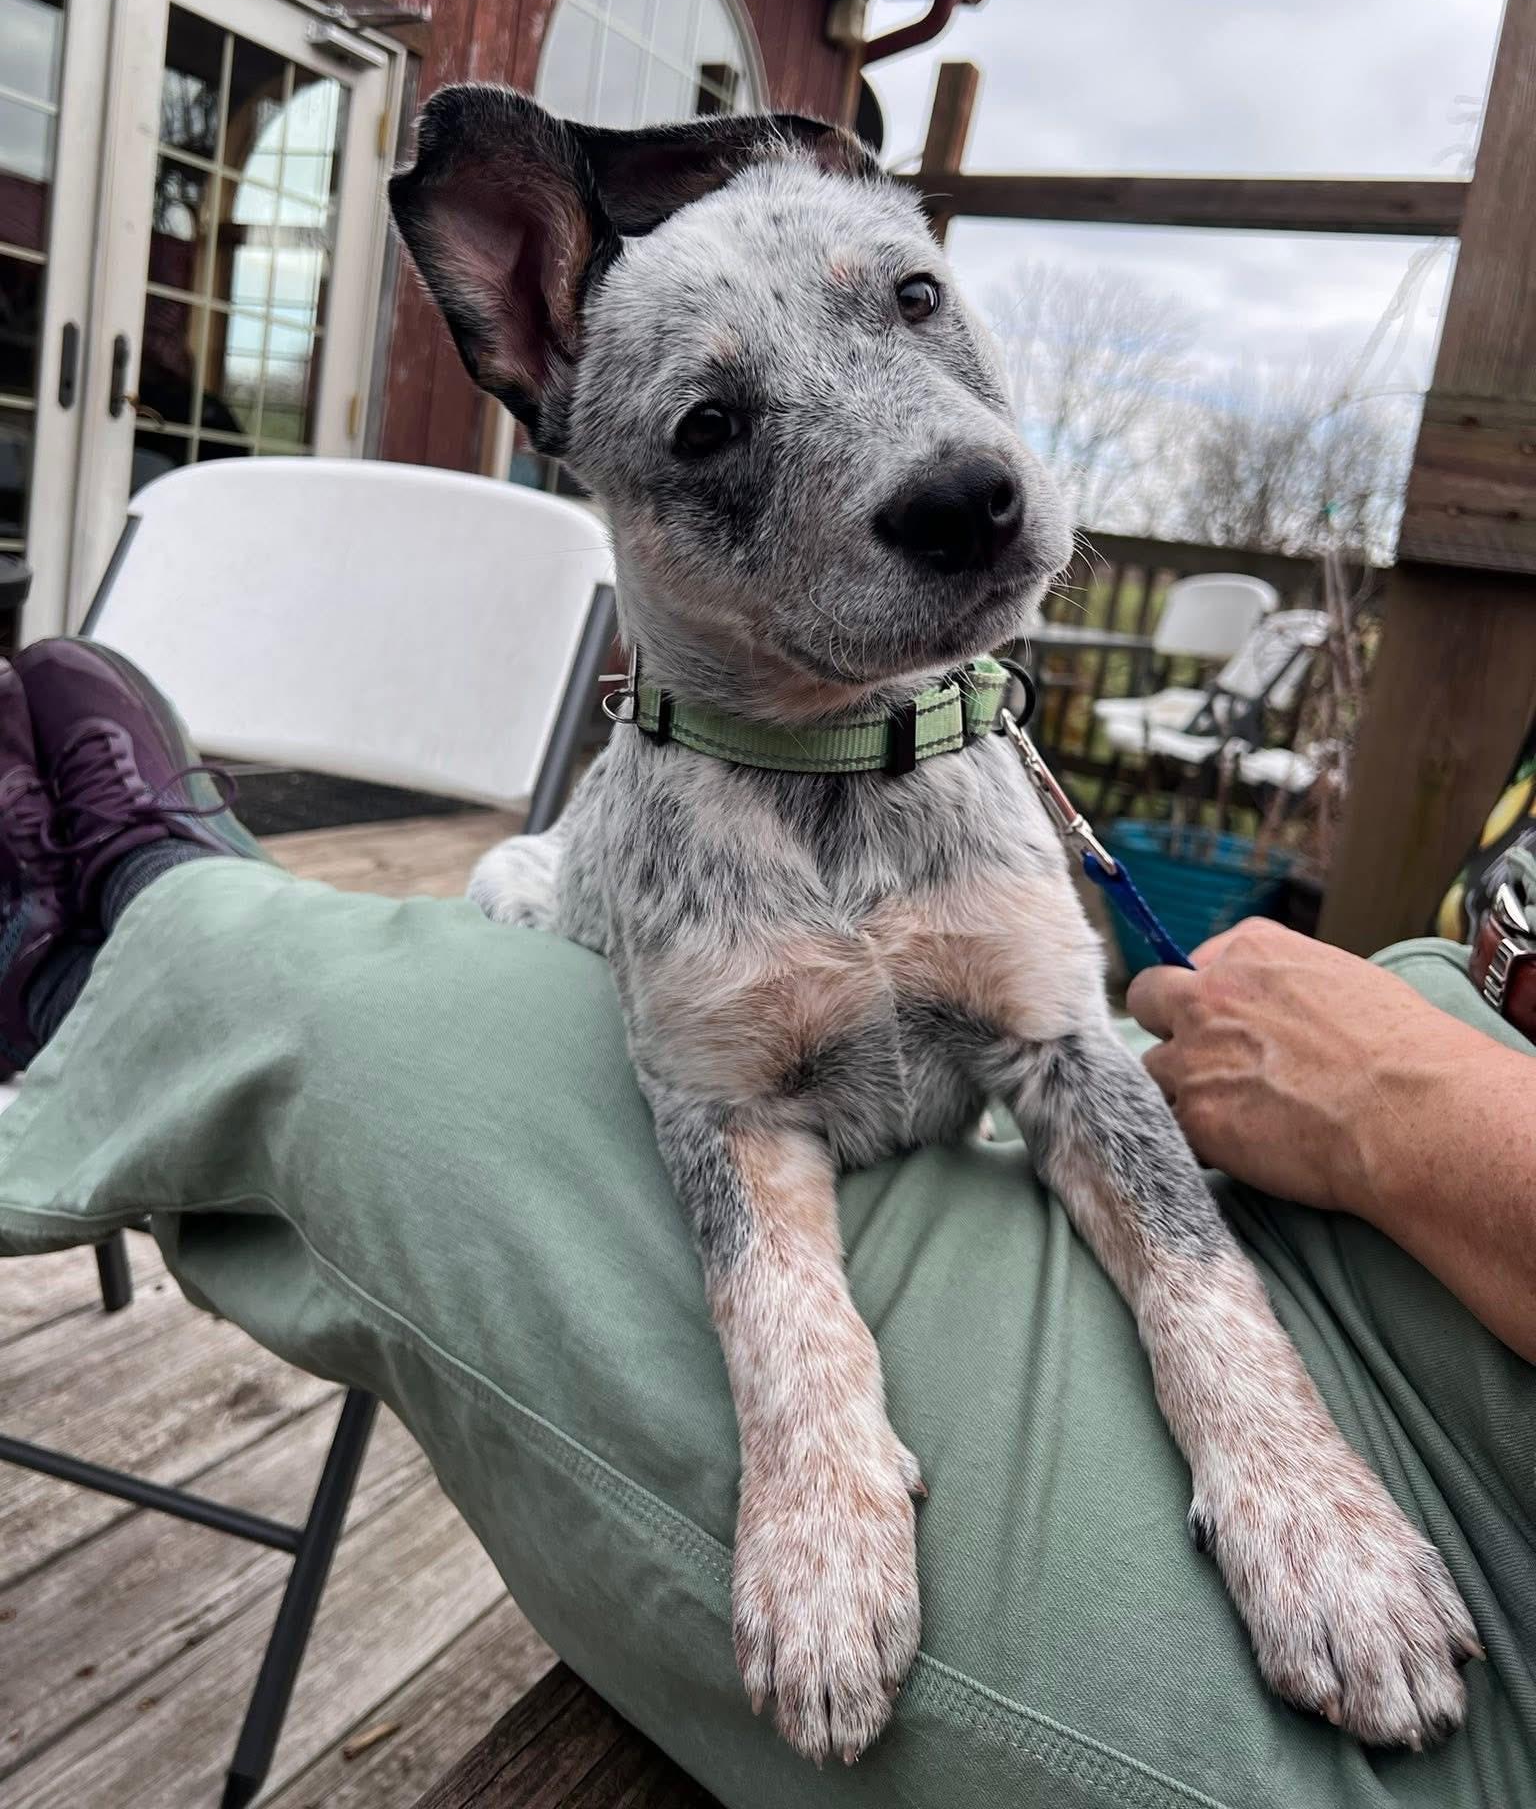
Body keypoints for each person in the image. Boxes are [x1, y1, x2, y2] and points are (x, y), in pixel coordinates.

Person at [0, 640, 1531, 1809]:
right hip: (1394, 1145)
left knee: (424, 1054)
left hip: (1468, 1400)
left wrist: (1411, 1107)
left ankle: (132, 925)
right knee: (590, 986)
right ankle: (164, 919)